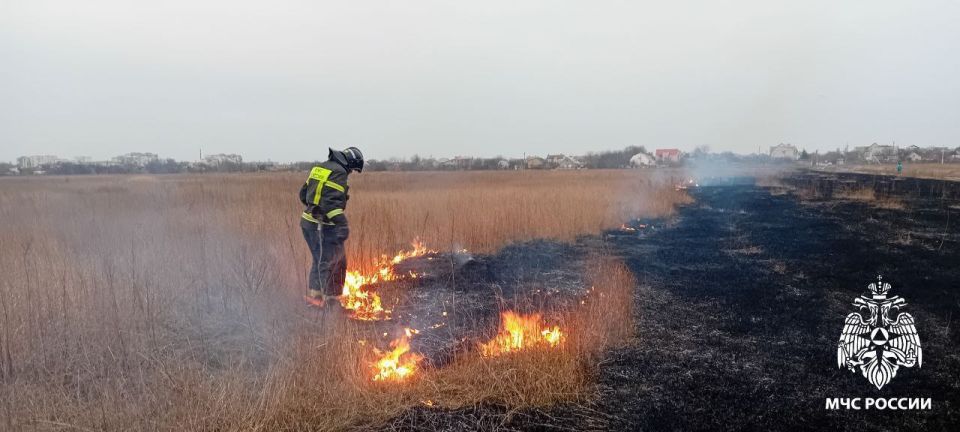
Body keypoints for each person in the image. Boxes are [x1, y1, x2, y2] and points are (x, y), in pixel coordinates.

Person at [299, 147, 364, 307]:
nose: (351, 173)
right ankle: (330, 302)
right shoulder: (340, 172)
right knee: (335, 261)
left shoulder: (320, 167)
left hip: (307, 224)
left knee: (320, 259)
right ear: (351, 163)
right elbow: (331, 204)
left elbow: (303, 194)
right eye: (353, 170)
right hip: (323, 227)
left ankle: (316, 298)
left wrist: (314, 207)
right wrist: (342, 224)